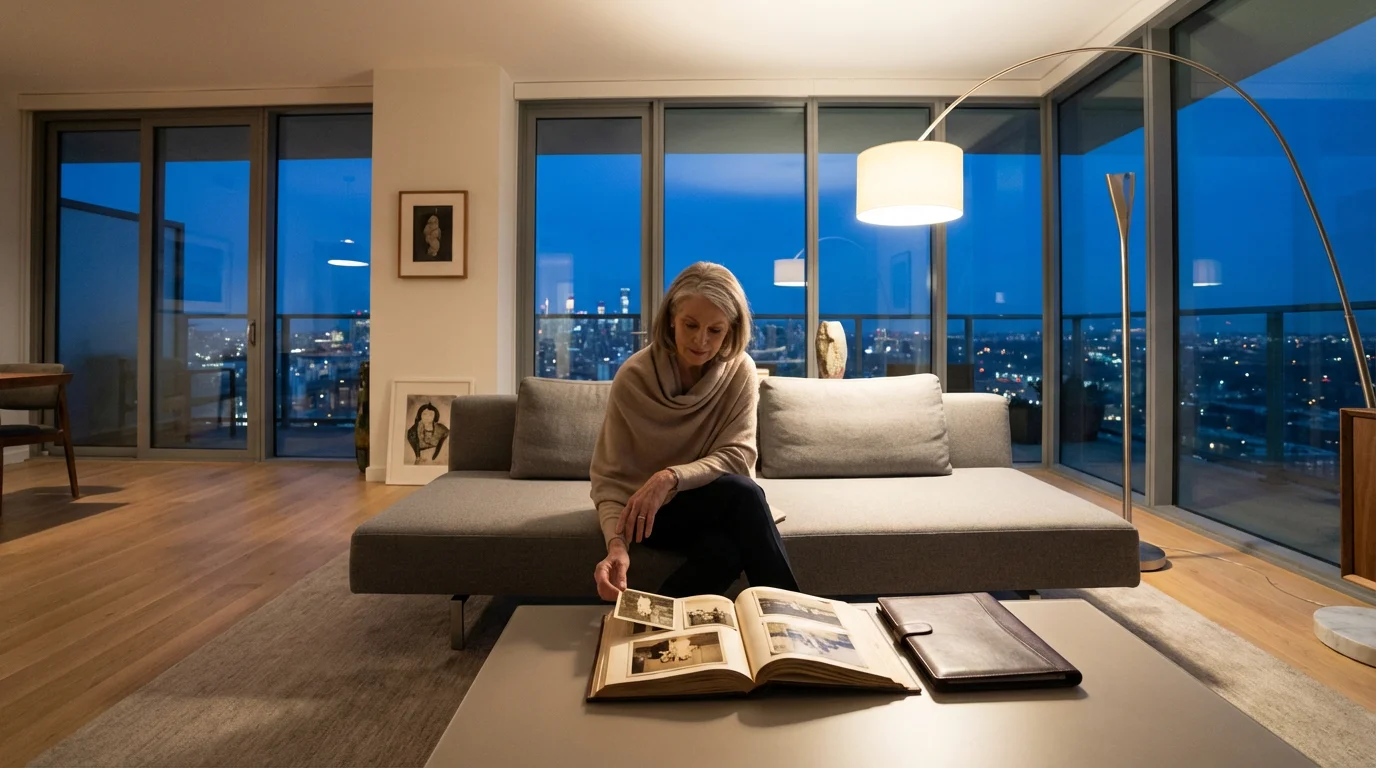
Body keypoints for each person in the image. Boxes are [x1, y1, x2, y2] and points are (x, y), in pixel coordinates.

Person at [590, 262, 799, 601]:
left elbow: (739, 455)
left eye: (715, 331)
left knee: (729, 548)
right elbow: (609, 480)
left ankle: (650, 625)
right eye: (690, 325)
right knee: (744, 497)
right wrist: (617, 545)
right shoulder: (634, 378)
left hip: (712, 503)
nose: (701, 341)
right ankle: (795, 625)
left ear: (730, 330)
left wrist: (669, 477)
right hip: (648, 516)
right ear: (671, 318)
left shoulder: (740, 371)